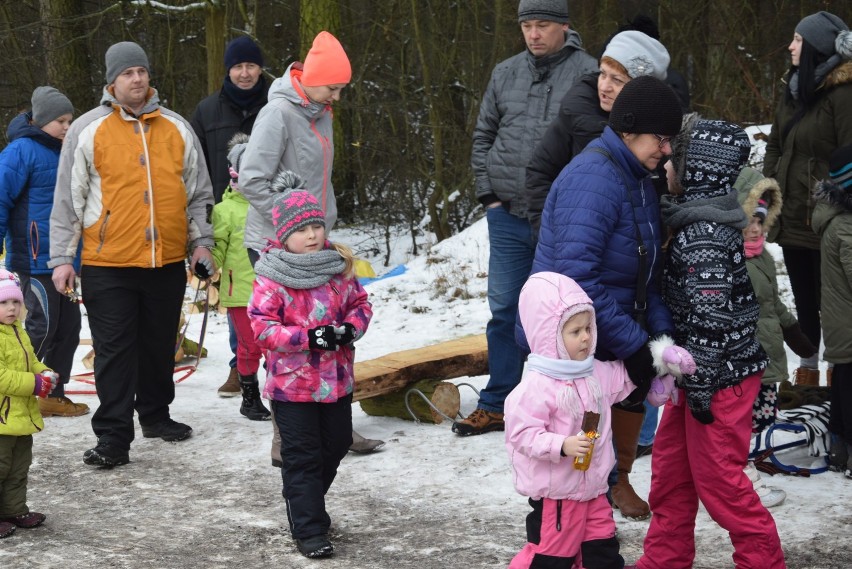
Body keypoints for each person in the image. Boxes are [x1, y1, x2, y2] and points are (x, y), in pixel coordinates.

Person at [49, 41, 216, 468]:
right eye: (127, 73)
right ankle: (113, 437)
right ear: (112, 81)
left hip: (165, 263)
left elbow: (197, 194)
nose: (137, 79)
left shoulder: (176, 127)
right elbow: (68, 199)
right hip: (109, 263)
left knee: (160, 345)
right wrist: (63, 258)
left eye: (141, 71)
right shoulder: (88, 129)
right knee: (115, 350)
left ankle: (157, 416)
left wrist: (201, 243)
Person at [529, 76, 683, 520]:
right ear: (630, 129)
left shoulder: (636, 176)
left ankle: (614, 480)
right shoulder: (593, 180)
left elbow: (646, 274)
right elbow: (577, 280)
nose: (667, 150)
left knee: (625, 407)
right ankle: (576, 508)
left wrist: (658, 337)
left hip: (613, 329)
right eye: (661, 137)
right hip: (577, 341)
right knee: (585, 431)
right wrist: (633, 343)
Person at [636, 115, 784, 569]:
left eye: (674, 159)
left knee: (719, 479)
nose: (666, 167)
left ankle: (763, 561)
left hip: (719, 380)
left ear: (696, 168)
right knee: (671, 474)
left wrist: (699, 383)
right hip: (697, 374)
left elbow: (712, 316)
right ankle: (665, 559)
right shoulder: (695, 220)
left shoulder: (703, 235)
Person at [454, 0, 598, 437]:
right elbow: (483, 135)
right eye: (527, 26)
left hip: (561, 217)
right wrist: (489, 195)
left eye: (542, 25)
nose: (533, 34)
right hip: (507, 214)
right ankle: (497, 401)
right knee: (503, 309)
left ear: (564, 27)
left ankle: (561, 406)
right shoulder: (505, 72)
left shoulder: (588, 73)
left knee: (563, 313)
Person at [238, 30, 382, 458]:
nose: (337, 97)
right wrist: (290, 221)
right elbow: (251, 179)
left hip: (318, 242)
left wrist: (320, 226)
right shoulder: (278, 114)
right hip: (276, 245)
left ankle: (338, 424)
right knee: (288, 339)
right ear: (312, 77)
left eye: (341, 89)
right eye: (332, 87)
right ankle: (287, 437)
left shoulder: (319, 112)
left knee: (334, 330)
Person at [504, 271, 691, 568]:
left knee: (602, 552)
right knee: (551, 559)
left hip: (594, 492)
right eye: (574, 332)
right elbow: (522, 434)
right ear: (547, 333)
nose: (586, 337)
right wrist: (561, 444)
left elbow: (625, 378)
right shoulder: (534, 388)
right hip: (558, 499)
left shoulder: (593, 372)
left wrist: (660, 361)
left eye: (588, 328)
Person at [248, 188, 372, 558]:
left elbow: (360, 305)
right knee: (302, 455)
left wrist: (352, 327)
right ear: (284, 235)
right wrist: (308, 337)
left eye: (317, 225)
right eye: (303, 230)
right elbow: (262, 329)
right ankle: (309, 527)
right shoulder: (273, 277)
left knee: (334, 446)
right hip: (292, 388)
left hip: (336, 383)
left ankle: (307, 503)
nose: (313, 235)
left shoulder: (337, 268)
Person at [763, 11, 852, 386]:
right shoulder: (793, 88)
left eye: (798, 40)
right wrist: (766, 196)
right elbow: (776, 145)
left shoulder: (843, 94)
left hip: (829, 219)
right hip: (792, 214)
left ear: (815, 45)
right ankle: (809, 370)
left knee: (834, 302)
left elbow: (849, 154)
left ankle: (838, 375)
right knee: (803, 297)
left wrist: (836, 210)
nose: (790, 46)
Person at [526, 29, 672, 235]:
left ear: (643, 90)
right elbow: (539, 174)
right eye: (602, 73)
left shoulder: (662, 130)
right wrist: (551, 233)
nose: (604, 86)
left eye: (617, 80)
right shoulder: (575, 116)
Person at [0, 87, 88, 418]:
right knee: (43, 325)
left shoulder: (69, 151)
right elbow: (0, 199)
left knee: (69, 328)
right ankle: (18, 386)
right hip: (33, 260)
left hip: (65, 259)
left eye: (70, 120)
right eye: (60, 121)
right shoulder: (20, 151)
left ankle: (52, 392)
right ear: (40, 121)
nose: (67, 126)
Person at [190, 36, 269, 397]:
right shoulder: (207, 111)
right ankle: (241, 366)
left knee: (275, 290)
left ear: (260, 67)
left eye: (251, 65)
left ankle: (281, 363)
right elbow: (195, 166)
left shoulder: (276, 104)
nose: (245, 72)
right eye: (238, 66)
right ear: (228, 70)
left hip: (271, 211)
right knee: (238, 291)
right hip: (225, 212)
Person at [735, 167, 817, 507]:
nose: (755, 228)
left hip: (767, 357)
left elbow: (774, 303)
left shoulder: (763, 256)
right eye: (750, 220)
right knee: (739, 423)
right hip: (746, 359)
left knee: (759, 420)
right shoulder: (733, 261)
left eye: (761, 221)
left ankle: (749, 465)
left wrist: (794, 332)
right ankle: (741, 480)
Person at [210, 133, 269, 421]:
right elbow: (218, 248)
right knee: (250, 345)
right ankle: (250, 398)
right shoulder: (225, 210)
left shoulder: (272, 204)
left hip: (273, 290)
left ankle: (283, 396)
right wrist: (207, 263)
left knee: (277, 344)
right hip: (240, 292)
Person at [0, 269, 57, 538]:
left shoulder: (17, 331)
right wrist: (33, 383)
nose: (12, 308)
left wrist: (44, 372)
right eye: (3, 303)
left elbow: (31, 361)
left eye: (16, 302)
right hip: (2, 419)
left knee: (19, 466)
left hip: (21, 416)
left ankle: (13, 509)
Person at [812, 144, 852, 478]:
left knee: (843, 381)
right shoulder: (846, 228)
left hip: (842, 323)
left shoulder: (838, 221)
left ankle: (838, 440)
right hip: (849, 323)